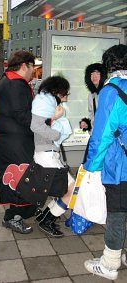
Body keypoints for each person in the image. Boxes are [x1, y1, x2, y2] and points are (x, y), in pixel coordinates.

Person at [83, 44, 127, 280]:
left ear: (109, 65)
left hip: (121, 166)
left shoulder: (111, 91)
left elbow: (101, 136)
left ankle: (110, 264)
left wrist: (90, 167)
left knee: (117, 214)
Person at [0, 50, 37, 234]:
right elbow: (23, 115)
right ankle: (12, 217)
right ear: (24, 65)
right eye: (32, 66)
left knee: (18, 178)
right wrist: (47, 120)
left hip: (13, 141)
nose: (34, 70)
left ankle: (22, 211)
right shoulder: (16, 85)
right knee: (18, 179)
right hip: (16, 142)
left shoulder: (10, 82)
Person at [30, 76, 75, 237]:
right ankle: (47, 220)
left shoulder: (46, 101)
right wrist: (56, 131)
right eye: (65, 93)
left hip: (48, 154)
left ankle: (45, 216)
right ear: (57, 91)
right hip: (46, 154)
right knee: (72, 190)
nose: (66, 97)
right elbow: (35, 125)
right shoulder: (45, 102)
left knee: (65, 188)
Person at [80, 63, 108, 132]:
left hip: (109, 135)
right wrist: (87, 124)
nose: (94, 76)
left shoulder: (108, 92)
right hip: (96, 135)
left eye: (97, 73)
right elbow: (92, 116)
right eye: (92, 74)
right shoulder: (91, 95)